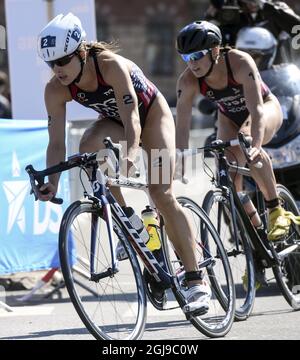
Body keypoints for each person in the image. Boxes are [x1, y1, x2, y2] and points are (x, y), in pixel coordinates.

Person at [36, 13, 211, 314]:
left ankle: (196, 280)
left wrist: (130, 153)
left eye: (63, 61)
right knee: (88, 146)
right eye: (51, 63)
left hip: (151, 117)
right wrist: (51, 182)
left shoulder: (110, 65)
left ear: (81, 52)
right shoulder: (55, 89)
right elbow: (56, 143)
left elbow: (133, 117)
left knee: (160, 194)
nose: (57, 69)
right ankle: (128, 220)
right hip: (114, 123)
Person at [175, 20, 296, 242]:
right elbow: (182, 123)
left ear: (214, 50)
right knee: (228, 176)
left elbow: (257, 109)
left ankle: (276, 210)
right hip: (229, 117)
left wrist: (256, 145)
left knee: (247, 142)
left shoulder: (239, 62)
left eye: (195, 56)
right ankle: (257, 239)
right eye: (185, 57)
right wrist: (180, 156)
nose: (191, 64)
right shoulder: (188, 80)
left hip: (264, 109)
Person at [205, 0, 300, 64]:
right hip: (245, 71)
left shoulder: (276, 8)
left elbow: (297, 27)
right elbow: (215, 42)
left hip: (277, 71)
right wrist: (211, 17)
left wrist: (266, 6)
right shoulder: (234, 14)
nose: (251, 3)